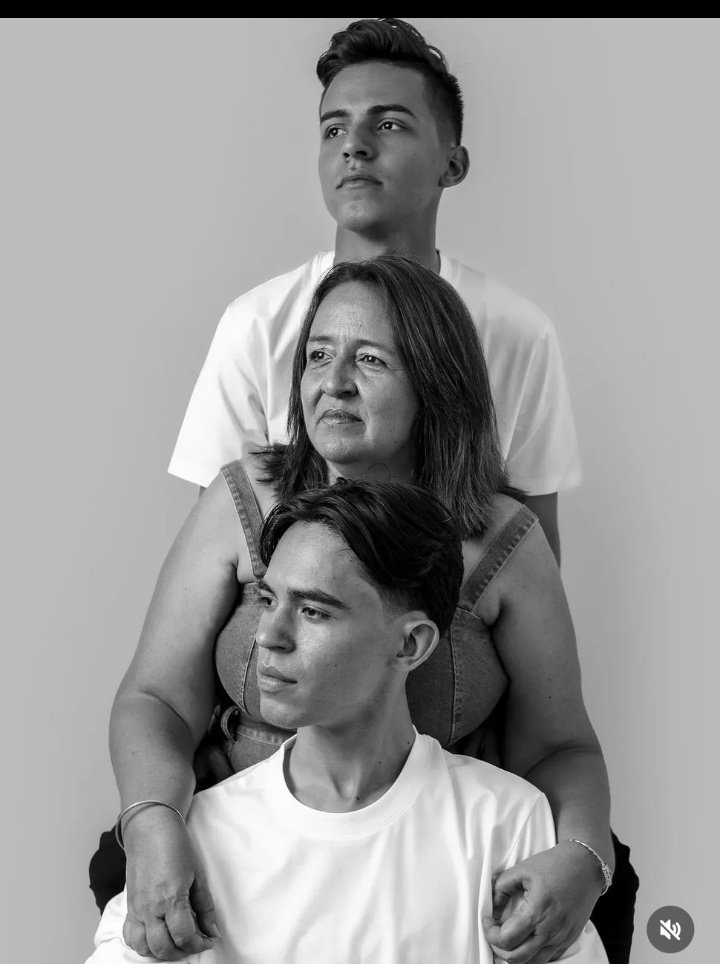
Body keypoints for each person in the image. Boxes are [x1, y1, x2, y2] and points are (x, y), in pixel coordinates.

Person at [94, 256, 636, 964]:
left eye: (370, 360)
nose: (334, 382)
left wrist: (584, 861)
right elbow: (156, 697)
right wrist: (153, 823)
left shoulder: (505, 542)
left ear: (434, 382)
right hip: (240, 845)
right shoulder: (241, 499)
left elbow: (561, 745)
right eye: (318, 355)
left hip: (429, 847)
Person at [86, 480, 608, 964]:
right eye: (268, 600)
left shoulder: (507, 825)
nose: (268, 636)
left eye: (313, 611)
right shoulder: (196, 842)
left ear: (410, 644)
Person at [167, 17, 581, 563]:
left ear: (452, 164)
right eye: (334, 129)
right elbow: (220, 547)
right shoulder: (256, 324)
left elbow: (530, 556)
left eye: (388, 124)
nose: (354, 147)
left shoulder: (518, 333)